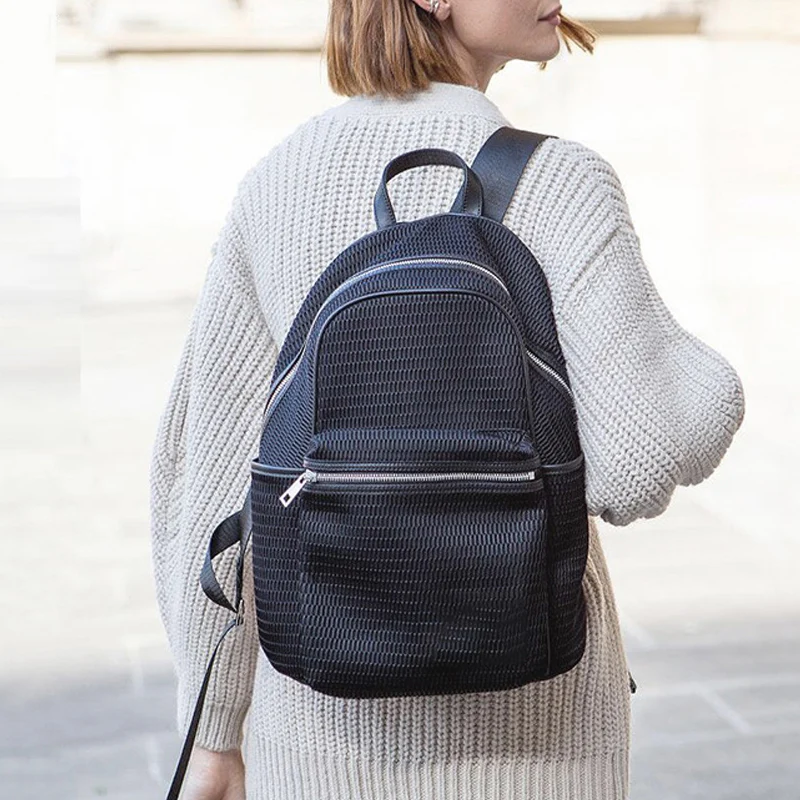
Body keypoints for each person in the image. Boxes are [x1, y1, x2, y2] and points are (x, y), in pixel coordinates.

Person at [150, 1, 746, 798]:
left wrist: (213, 733)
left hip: (319, 741)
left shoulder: (275, 184)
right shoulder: (562, 183)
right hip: (537, 744)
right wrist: (707, 378)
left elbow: (206, 482)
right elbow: (637, 465)